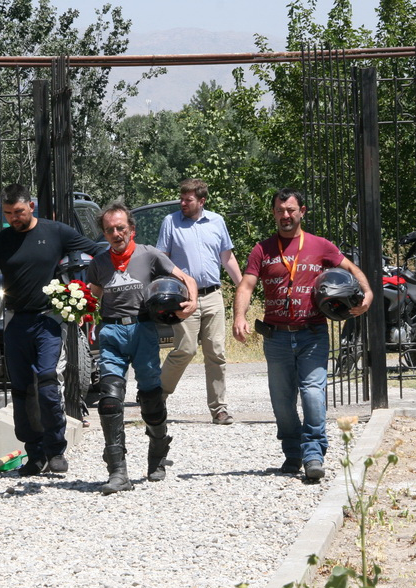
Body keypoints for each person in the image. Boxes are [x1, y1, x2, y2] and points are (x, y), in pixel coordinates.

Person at [0, 184, 101, 476]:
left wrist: (118, 265)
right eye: (8, 214)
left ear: (31, 206)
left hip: (48, 320)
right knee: (21, 391)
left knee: (47, 382)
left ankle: (55, 449)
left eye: (18, 212)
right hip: (16, 322)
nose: (14, 219)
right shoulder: (1, 241)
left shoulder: (55, 232)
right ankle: (34, 453)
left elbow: (96, 251)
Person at [232, 189, 372, 480]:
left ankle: (313, 453)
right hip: (276, 337)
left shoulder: (321, 246)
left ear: (302, 211)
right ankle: (292, 452)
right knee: (282, 401)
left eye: (291, 210)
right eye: (280, 210)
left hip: (312, 333)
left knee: (312, 393)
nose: (286, 216)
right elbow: (246, 285)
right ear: (273, 213)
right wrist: (239, 316)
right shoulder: (263, 249)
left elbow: (351, 269)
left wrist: (368, 294)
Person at [86, 202, 198, 495]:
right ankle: (118, 472)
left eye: (121, 228)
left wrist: (191, 304)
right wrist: (78, 304)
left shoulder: (149, 254)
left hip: (143, 330)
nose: (116, 233)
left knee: (150, 397)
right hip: (111, 332)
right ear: (104, 233)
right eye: (110, 230)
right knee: (110, 400)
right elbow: (91, 297)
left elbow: (186, 279)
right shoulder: (98, 263)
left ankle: (159, 447)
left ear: (131, 229)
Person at [156, 178, 243, 425]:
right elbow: (163, 260)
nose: (182, 203)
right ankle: (157, 397)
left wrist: (243, 287)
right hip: (184, 298)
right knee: (185, 349)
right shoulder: (170, 222)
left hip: (214, 295)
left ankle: (219, 409)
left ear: (201, 201)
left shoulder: (217, 221)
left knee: (216, 352)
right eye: (181, 199)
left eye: (188, 199)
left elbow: (227, 258)